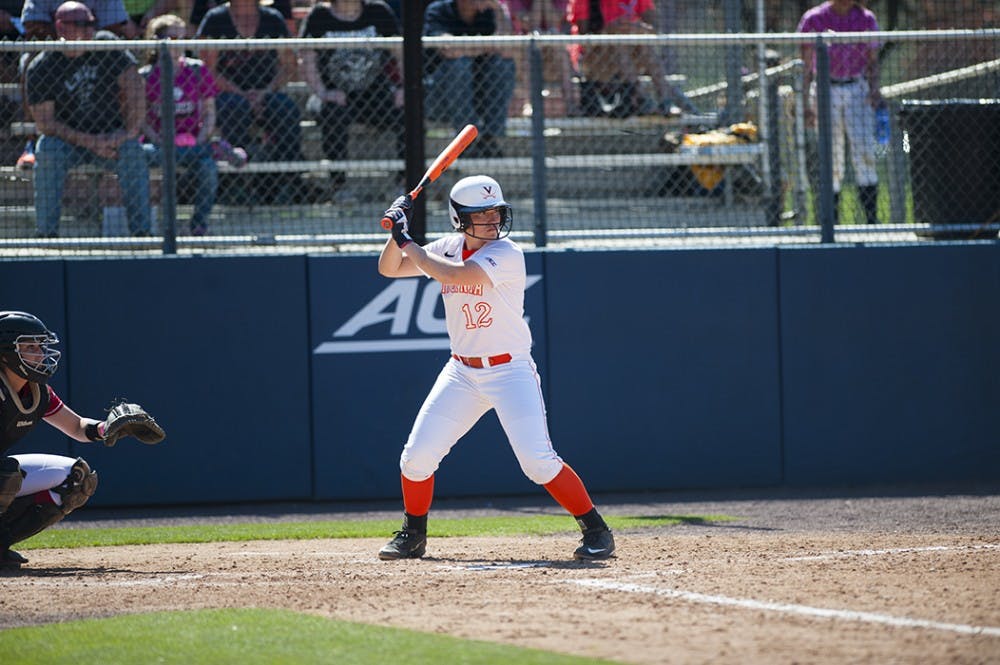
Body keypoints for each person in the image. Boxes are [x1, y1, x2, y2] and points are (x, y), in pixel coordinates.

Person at [375, 175, 616, 562]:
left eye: (495, 212)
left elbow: (453, 275)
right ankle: (413, 535)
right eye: (480, 214)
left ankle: (596, 530)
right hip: (462, 373)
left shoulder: (506, 253)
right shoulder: (449, 246)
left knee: (537, 462)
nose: (491, 220)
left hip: (510, 371)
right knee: (416, 459)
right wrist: (396, 229)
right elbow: (389, 268)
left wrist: (407, 239)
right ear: (459, 219)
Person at [0, 311, 163, 569]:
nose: (40, 352)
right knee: (5, 475)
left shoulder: (36, 390)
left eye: (40, 345)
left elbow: (76, 426)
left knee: (77, 480)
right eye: (29, 346)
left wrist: (107, 427)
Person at [25, 1, 151, 237]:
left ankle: (142, 233)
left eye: (92, 23)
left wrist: (128, 132)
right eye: (82, 25)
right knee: (47, 149)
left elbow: (136, 90)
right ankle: (46, 234)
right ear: (61, 28)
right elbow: (46, 124)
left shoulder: (106, 45)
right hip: (68, 141)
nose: (90, 30)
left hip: (112, 136)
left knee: (133, 151)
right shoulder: (42, 66)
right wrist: (91, 142)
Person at [195, 0, 302, 203]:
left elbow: (289, 66)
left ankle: (282, 184)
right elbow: (207, 70)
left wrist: (263, 93)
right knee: (235, 107)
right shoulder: (215, 20)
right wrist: (242, 94)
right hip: (226, 93)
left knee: (286, 109)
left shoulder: (273, 19)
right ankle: (234, 185)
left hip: (268, 91)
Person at [299, 0, 404, 198]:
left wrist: (403, 88)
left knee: (409, 111)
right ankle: (340, 186)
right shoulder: (319, 16)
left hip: (375, 94)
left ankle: (405, 185)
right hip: (334, 94)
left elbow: (400, 52)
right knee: (333, 115)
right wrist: (322, 92)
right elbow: (307, 59)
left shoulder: (378, 11)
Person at [798, 0, 883, 225]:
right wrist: (805, 103)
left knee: (864, 151)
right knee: (831, 156)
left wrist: (875, 90)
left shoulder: (866, 19)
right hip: (826, 88)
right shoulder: (814, 19)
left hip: (857, 88)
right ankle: (831, 222)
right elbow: (805, 68)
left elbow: (873, 63)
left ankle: (872, 221)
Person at [141, 13, 226, 236]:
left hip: (192, 143)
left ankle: (198, 224)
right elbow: (140, 120)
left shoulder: (197, 70)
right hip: (157, 145)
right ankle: (144, 227)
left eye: (183, 38)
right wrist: (160, 140)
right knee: (140, 156)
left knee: (207, 167)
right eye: (173, 38)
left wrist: (198, 140)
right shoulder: (145, 75)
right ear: (158, 42)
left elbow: (209, 113)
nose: (180, 44)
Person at [566, 0, 696, 116]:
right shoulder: (583, 2)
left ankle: (666, 101)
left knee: (643, 46)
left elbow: (654, 28)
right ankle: (641, 97)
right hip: (596, 63)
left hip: (632, 59)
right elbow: (585, 42)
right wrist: (608, 31)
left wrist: (640, 29)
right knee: (619, 44)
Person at [424, 0, 516, 158]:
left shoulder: (489, 13)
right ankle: (466, 141)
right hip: (438, 98)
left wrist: (499, 9)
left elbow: (506, 48)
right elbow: (449, 50)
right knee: (459, 65)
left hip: (480, 96)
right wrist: (487, 46)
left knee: (503, 64)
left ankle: (489, 139)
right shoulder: (438, 10)